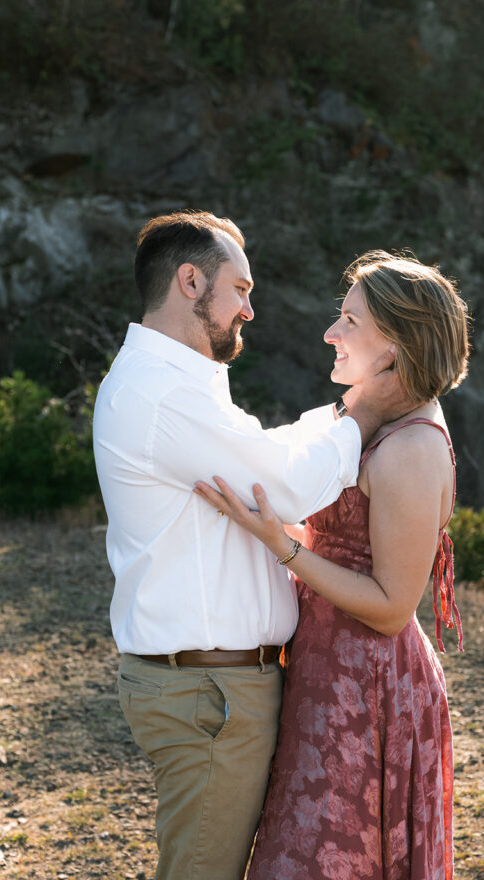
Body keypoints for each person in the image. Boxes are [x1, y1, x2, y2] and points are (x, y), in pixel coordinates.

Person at [92, 212, 414, 880]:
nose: (248, 308)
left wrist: (334, 417)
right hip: (206, 691)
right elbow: (283, 486)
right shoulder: (161, 395)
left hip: (214, 687)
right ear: (189, 281)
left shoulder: (178, 383)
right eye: (238, 289)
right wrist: (364, 412)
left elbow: (262, 452)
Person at [194, 249, 469, 880]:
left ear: (395, 346)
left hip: (369, 691)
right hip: (327, 672)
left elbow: (394, 605)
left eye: (348, 320)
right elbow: (339, 540)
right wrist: (254, 515)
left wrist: (280, 544)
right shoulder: (373, 417)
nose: (330, 333)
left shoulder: (412, 449)